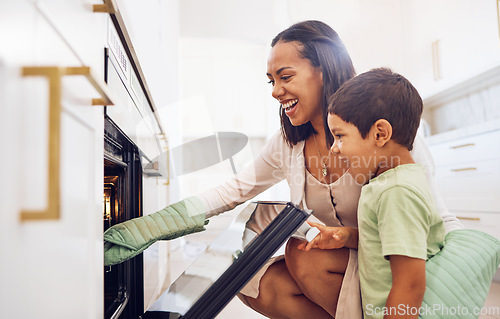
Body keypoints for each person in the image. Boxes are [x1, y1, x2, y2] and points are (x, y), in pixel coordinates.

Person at [105, 20, 462, 319]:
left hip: (401, 266)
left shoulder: (383, 136)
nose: (276, 91)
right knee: (256, 280)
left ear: (323, 69)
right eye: (271, 80)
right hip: (353, 258)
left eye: (285, 76)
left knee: (302, 259)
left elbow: (429, 216)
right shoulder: (289, 143)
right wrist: (145, 229)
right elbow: (232, 191)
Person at [302, 68, 446, 319]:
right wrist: (347, 236)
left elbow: (409, 285)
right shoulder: (392, 183)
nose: (334, 149)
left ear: (380, 134)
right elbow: (387, 243)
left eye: (339, 136)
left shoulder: (396, 192)